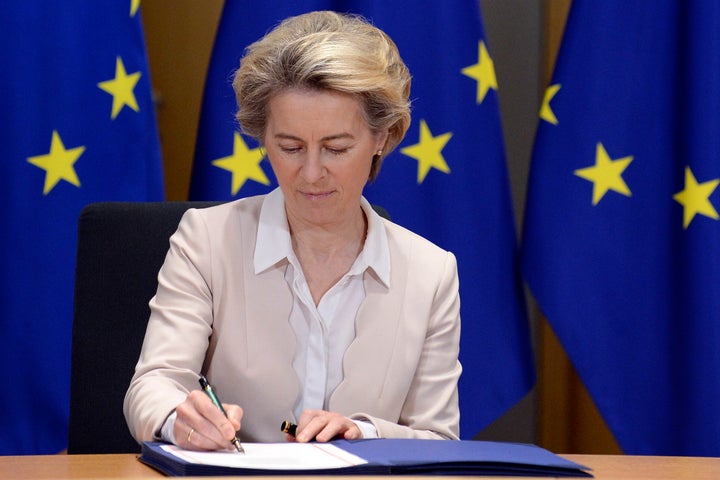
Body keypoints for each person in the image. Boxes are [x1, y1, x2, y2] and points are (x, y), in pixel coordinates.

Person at [124, 10, 461, 452]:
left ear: (383, 137)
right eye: (290, 147)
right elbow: (154, 385)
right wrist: (180, 419)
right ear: (264, 137)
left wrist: (367, 434)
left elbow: (438, 438)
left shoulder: (430, 272)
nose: (311, 173)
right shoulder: (206, 240)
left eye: (336, 148)